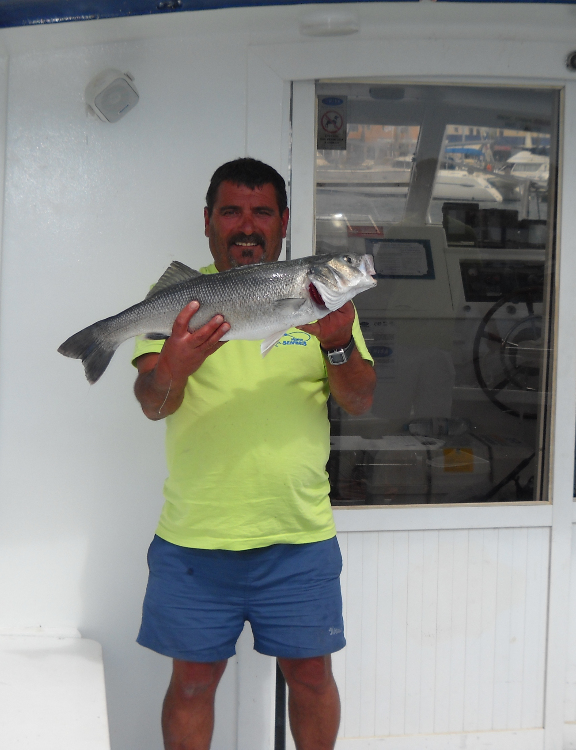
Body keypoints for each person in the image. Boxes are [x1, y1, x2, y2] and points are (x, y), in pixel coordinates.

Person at [132, 158, 376, 750]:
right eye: (231, 212)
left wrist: (338, 345)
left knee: (311, 678)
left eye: (262, 212)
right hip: (196, 538)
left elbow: (360, 400)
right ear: (208, 222)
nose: (246, 225)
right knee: (192, 683)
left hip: (298, 536)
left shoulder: (327, 307)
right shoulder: (177, 302)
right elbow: (153, 404)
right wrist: (173, 366)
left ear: (283, 222)